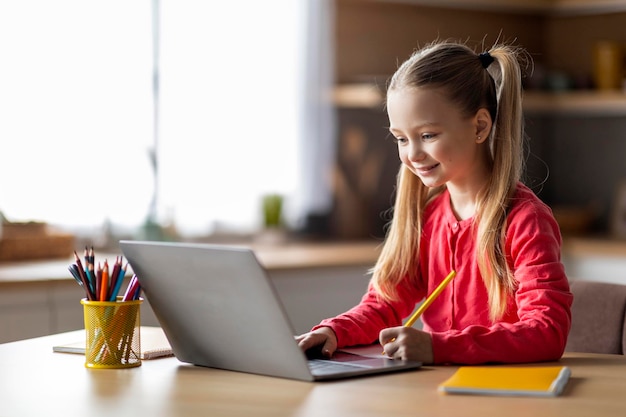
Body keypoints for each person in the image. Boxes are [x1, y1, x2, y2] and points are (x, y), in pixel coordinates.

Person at [296, 40, 573, 365]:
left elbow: (546, 333)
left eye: (428, 135)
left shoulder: (525, 220)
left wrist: (437, 347)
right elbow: (384, 306)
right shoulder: (429, 217)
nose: (411, 154)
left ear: (480, 126)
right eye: (401, 138)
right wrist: (334, 332)